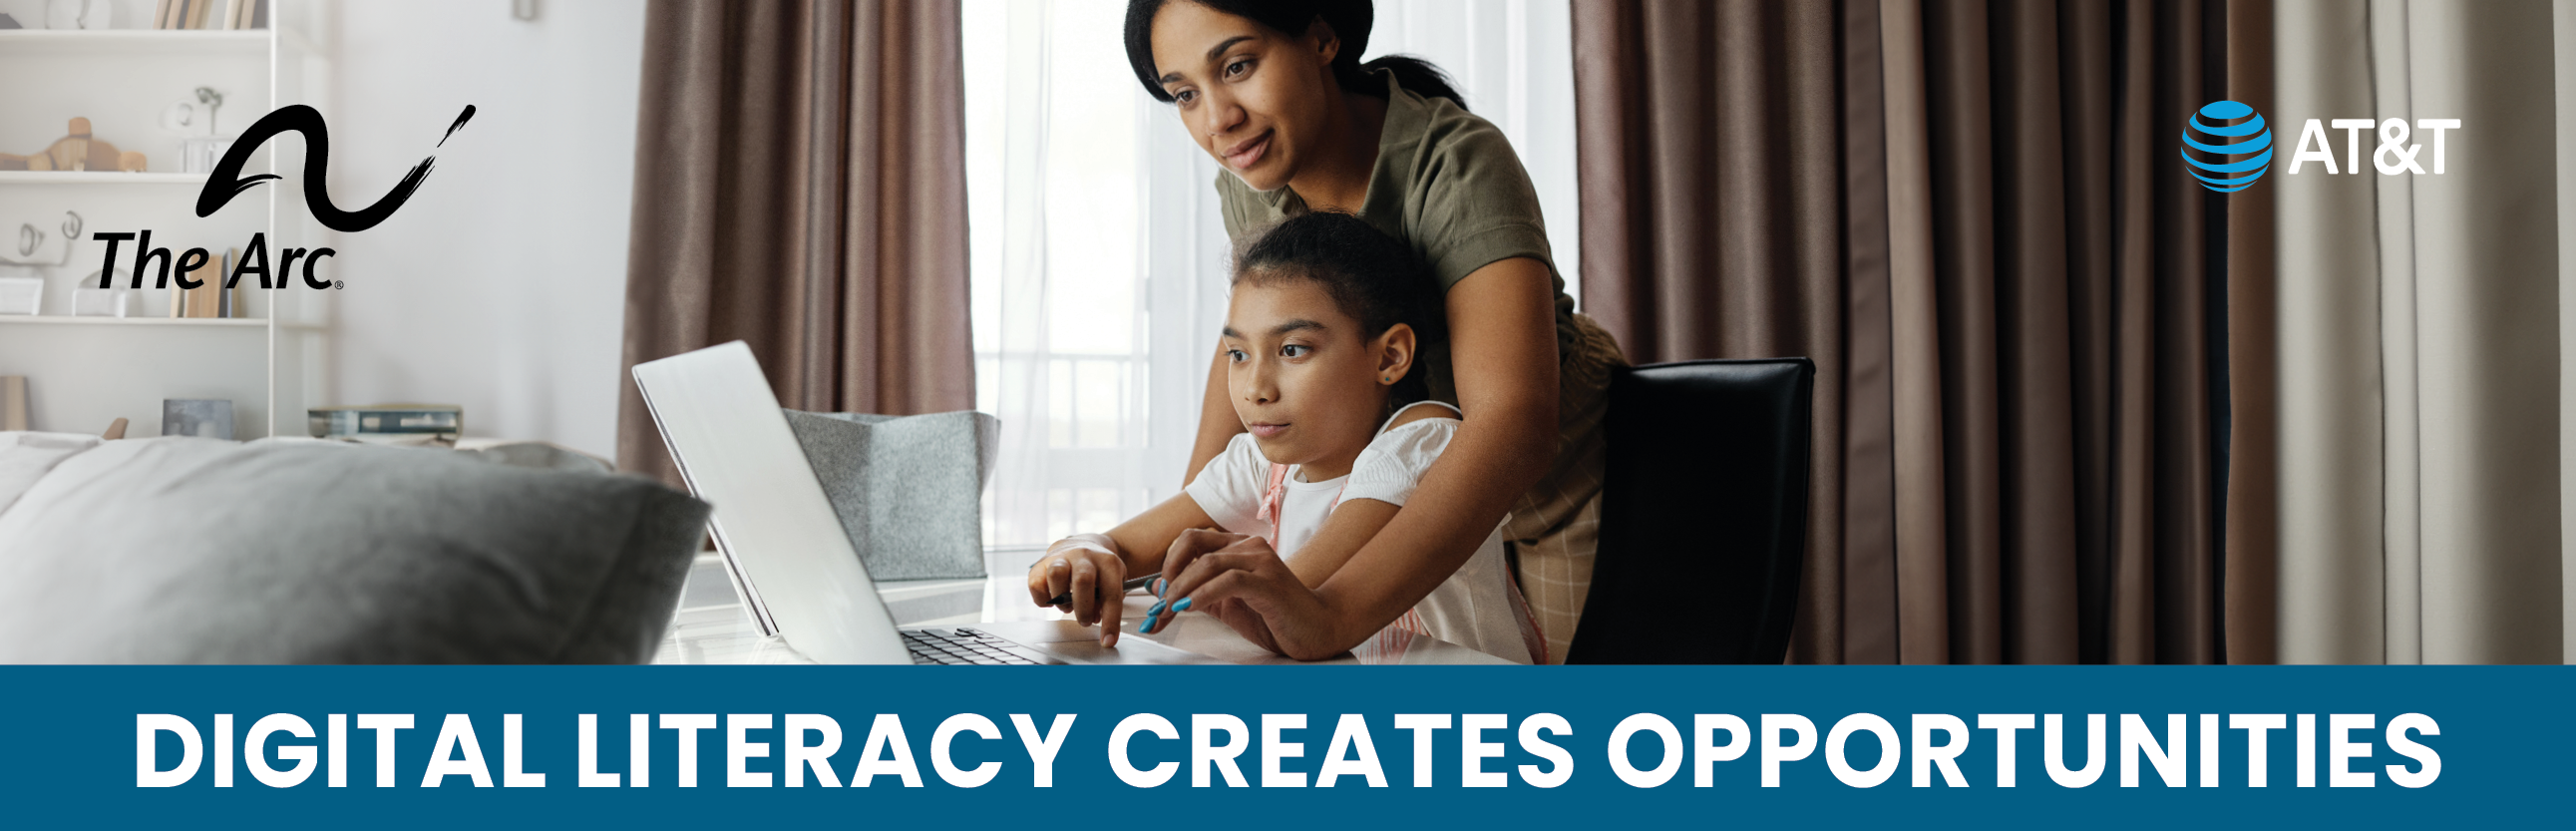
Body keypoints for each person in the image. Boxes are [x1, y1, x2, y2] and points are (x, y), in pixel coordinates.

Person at [1031, 0, 1625, 662]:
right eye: (1184, 95)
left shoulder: (1456, 161)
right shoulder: (1253, 171)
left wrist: (1332, 612)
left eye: (1238, 65)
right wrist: (1177, 546)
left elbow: (1511, 421)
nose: (1217, 119)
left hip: (1550, 487)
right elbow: (1253, 335)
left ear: (1320, 37)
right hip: (1388, 486)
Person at [1024, 212, 1546, 664]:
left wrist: (1203, 581)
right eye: (1238, 354)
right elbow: (1122, 543)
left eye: (1293, 350)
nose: (1255, 388)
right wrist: (1082, 552)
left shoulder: (1423, 442)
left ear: (1389, 357)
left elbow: (1298, 602)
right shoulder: (1262, 463)